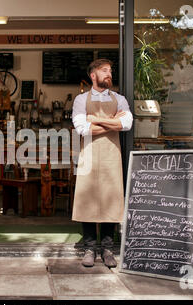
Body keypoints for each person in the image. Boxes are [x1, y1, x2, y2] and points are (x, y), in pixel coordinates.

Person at [71, 58, 133, 267]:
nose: (109, 74)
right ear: (93, 75)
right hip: (88, 155)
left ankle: (107, 248)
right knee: (87, 200)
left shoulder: (120, 99)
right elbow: (82, 129)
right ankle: (89, 248)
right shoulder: (80, 100)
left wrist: (94, 119)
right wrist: (113, 123)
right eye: (104, 70)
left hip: (111, 156)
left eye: (110, 70)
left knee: (111, 199)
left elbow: (127, 123)